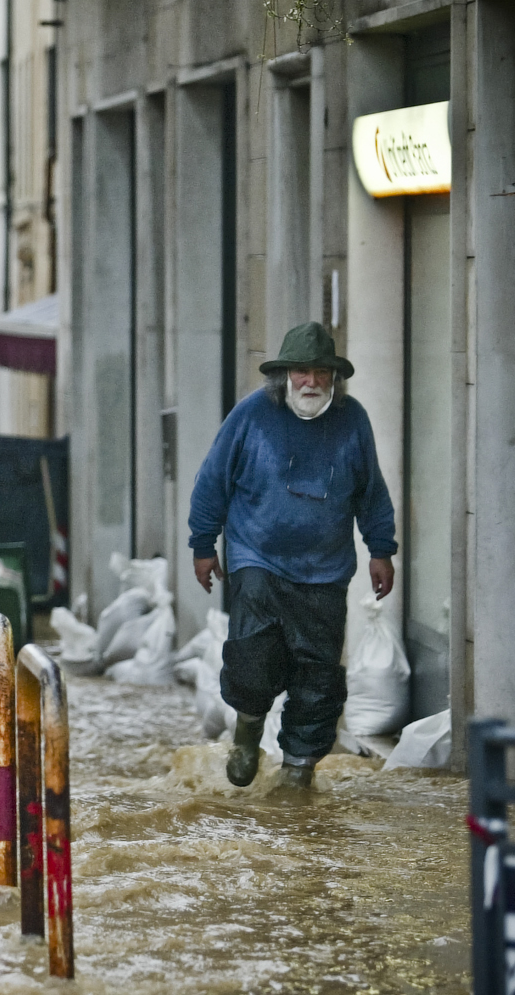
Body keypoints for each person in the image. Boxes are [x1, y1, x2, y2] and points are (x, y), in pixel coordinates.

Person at [187, 321, 397, 790]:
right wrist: (203, 545)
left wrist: (381, 549)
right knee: (253, 654)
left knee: (319, 673)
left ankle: (298, 768)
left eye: (322, 373)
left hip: (324, 571)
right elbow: (211, 482)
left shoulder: (352, 420)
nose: (311, 382)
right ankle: (247, 734)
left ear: (334, 378)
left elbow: (371, 492)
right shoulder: (251, 415)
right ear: (283, 376)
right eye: (302, 372)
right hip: (255, 557)